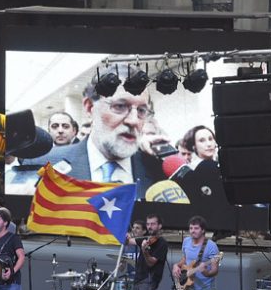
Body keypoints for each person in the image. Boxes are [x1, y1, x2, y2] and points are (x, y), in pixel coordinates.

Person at [23, 65, 167, 197]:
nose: (134, 120)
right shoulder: (43, 165)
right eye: (120, 106)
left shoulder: (159, 169)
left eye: (142, 110)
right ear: (90, 107)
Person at [171, 215, 220, 290]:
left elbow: (214, 271)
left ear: (203, 230)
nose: (193, 231)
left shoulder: (211, 246)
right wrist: (177, 265)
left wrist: (204, 271)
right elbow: (185, 259)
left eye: (196, 228)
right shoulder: (186, 241)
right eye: (191, 228)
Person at [128, 213, 168, 290]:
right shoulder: (145, 239)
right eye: (148, 224)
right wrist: (126, 236)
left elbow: (151, 263)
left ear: (159, 226)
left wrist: (145, 251)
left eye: (153, 224)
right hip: (138, 279)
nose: (150, 226)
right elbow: (130, 241)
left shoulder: (161, 243)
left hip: (149, 280)